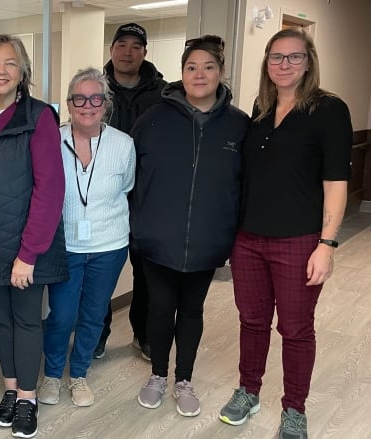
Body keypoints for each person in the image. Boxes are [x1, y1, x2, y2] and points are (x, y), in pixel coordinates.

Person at [219, 29, 352, 439]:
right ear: (266, 63)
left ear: (309, 61)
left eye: (294, 57)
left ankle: (295, 408)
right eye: (276, 57)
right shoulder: (261, 109)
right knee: (252, 321)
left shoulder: (329, 109)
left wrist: (326, 245)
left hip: (298, 240)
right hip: (249, 239)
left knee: (295, 329)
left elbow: (335, 182)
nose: (284, 65)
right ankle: (249, 390)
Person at [130, 36, 248, 417]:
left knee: (192, 310)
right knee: (160, 308)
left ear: (221, 72)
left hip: (207, 238)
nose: (200, 74)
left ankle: (184, 379)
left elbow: (245, 186)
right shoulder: (153, 119)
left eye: (209, 67)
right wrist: (138, 225)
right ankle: (158, 376)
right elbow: (131, 178)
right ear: (181, 73)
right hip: (157, 238)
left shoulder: (238, 126)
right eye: (192, 67)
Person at [0, 34, 66, 439]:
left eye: (10, 62)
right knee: (0, 321)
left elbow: (50, 189)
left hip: (21, 247)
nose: (1, 70)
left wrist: (29, 253)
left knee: (25, 322)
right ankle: (10, 391)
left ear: (22, 71)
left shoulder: (38, 117)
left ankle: (27, 398)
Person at [38, 67, 135, 408]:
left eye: (96, 98)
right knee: (62, 315)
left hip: (109, 247)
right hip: (65, 246)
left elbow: (126, 187)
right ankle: (52, 375)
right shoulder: (52, 139)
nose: (88, 105)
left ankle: (78, 374)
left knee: (93, 315)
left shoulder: (123, 144)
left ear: (105, 103)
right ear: (68, 103)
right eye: (79, 98)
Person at [94, 22, 168, 361]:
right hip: (102, 197)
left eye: (135, 46)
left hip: (147, 198)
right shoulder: (94, 88)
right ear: (111, 50)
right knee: (102, 271)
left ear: (145, 53)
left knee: (147, 272)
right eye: (121, 44)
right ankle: (97, 335)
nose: (127, 51)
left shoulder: (163, 94)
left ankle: (143, 334)